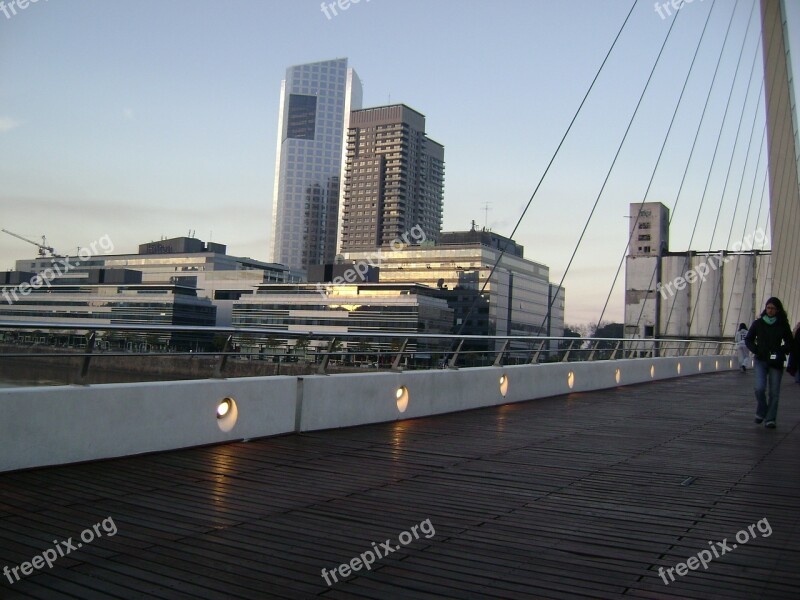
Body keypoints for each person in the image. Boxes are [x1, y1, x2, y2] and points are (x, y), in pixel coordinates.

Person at [745, 297, 793, 429]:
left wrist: (781, 350)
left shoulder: (782, 324)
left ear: (777, 310)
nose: (770, 310)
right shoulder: (758, 323)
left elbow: (790, 342)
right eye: (768, 308)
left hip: (776, 362)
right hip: (761, 359)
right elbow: (749, 339)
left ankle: (770, 419)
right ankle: (762, 410)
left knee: (774, 392)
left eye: (772, 308)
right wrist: (756, 350)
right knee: (759, 388)